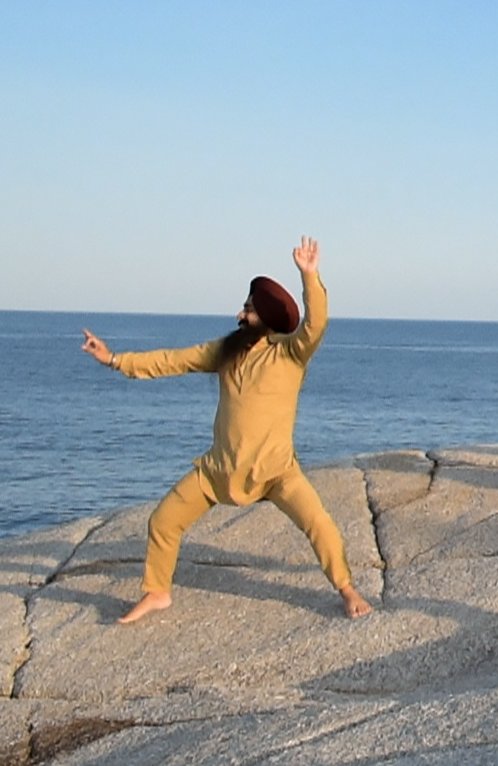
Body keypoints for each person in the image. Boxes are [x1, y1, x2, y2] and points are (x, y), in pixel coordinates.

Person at [80, 237, 372, 624]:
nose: (239, 314)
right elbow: (173, 360)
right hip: (219, 470)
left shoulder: (289, 353)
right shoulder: (226, 351)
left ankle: (348, 590)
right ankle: (157, 592)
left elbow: (316, 324)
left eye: (248, 310)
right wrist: (115, 359)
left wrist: (310, 276)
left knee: (319, 524)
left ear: (265, 319)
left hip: (275, 471)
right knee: (164, 521)